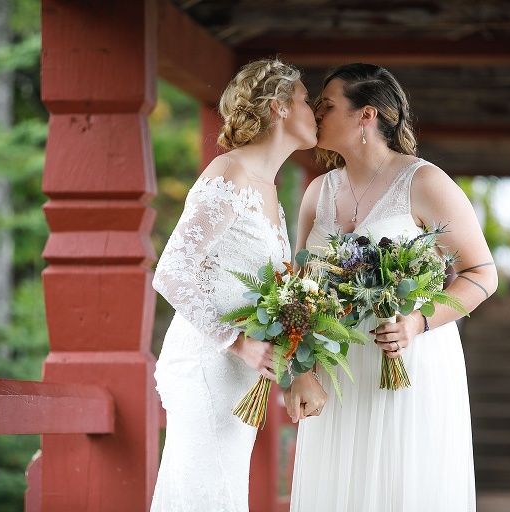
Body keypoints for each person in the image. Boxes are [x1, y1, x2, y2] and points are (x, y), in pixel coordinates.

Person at [285, 63, 498, 511]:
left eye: (327, 105)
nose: (316, 114)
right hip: (337, 374)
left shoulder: (424, 181)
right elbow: (298, 291)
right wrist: (300, 371)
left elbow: (482, 274)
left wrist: (418, 323)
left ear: (367, 115)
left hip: (407, 361)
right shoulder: (317, 193)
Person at [151, 58, 319, 512]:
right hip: (208, 364)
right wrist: (238, 342)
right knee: (210, 497)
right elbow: (171, 270)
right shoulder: (230, 173)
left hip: (237, 376)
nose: (315, 110)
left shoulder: (269, 189)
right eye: (306, 99)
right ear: (280, 107)